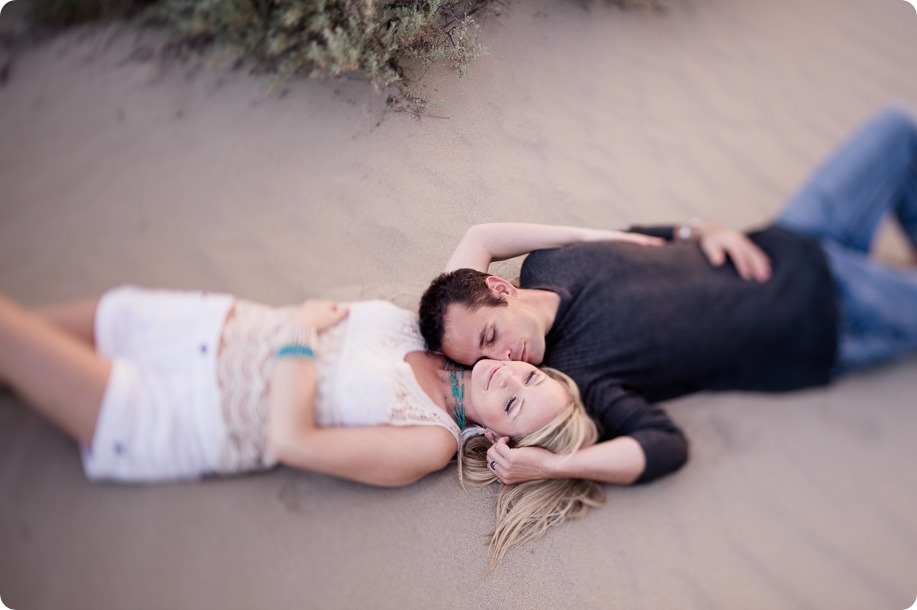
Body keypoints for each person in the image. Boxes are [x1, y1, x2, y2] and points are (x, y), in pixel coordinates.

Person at [0, 227, 656, 564]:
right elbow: (481, 239)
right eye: (531, 377)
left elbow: (292, 443)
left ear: (498, 437)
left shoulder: (427, 442)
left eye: (514, 402)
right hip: (191, 324)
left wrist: (296, 337)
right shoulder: (443, 337)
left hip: (181, 410)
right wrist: (611, 235)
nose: (507, 376)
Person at [419, 107, 917, 488]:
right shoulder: (572, 380)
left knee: (897, 131)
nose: (501, 360)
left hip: (789, 241)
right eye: (481, 358)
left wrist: (700, 229)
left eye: (490, 335)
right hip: (824, 317)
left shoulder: (545, 262)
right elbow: (664, 448)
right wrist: (553, 465)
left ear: (500, 288)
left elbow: (482, 238)